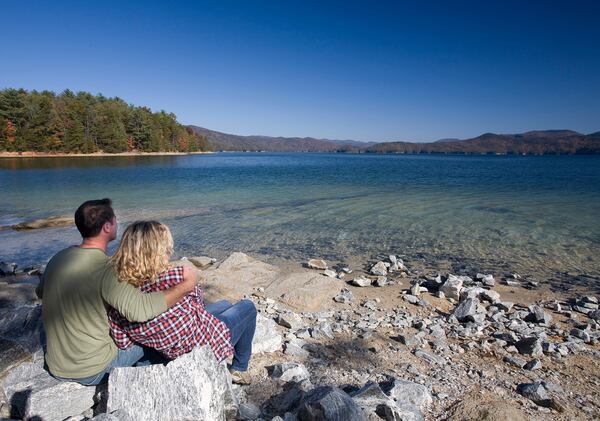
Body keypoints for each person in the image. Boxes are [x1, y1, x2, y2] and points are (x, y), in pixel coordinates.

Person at [38, 199, 198, 385]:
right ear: (107, 227)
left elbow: (40, 292)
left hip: (57, 365)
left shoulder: (59, 258)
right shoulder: (106, 269)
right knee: (153, 337)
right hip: (92, 370)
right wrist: (185, 286)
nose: (117, 223)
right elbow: (140, 310)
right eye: (115, 219)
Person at [108, 220, 257, 384]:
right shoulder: (177, 278)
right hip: (201, 348)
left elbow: (122, 340)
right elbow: (197, 307)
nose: (170, 252)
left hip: (168, 348)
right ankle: (239, 368)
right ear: (161, 251)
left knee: (224, 304)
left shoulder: (120, 292)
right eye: (167, 249)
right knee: (247, 307)